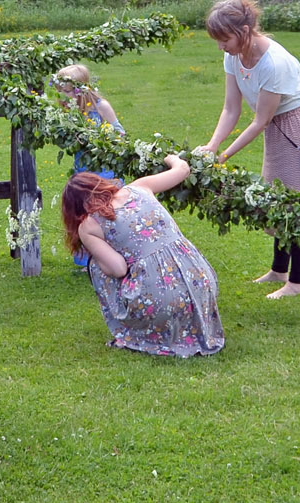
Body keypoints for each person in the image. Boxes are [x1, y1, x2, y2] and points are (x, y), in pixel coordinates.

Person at [195, 0, 300, 299]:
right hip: (277, 126)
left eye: (224, 39)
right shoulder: (233, 55)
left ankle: (296, 283)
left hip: (299, 126)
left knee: (297, 203)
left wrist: (225, 156)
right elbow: (231, 108)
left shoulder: (274, 63)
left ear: (243, 31)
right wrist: (212, 145)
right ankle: (278, 271)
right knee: (274, 198)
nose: (220, 46)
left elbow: (260, 121)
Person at [61, 153, 224, 357]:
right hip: (201, 283)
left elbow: (118, 269)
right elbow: (183, 170)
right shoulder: (138, 187)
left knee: (97, 264)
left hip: (162, 301)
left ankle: (138, 330)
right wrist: (170, 158)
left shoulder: (88, 225)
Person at [51, 63, 123, 268]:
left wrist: (101, 140)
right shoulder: (68, 111)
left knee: (107, 210)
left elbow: (120, 133)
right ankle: (88, 259)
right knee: (83, 212)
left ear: (81, 89)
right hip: (83, 169)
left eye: (67, 91)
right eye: (60, 92)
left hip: (105, 169)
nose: (64, 97)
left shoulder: (101, 107)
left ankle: (114, 255)